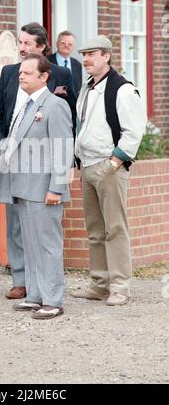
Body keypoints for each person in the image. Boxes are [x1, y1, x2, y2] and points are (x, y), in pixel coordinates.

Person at [0, 22, 76, 300]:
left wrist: (57, 186)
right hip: (18, 173)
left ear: (44, 76)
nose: (20, 76)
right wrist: (5, 149)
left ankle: (52, 299)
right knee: (26, 237)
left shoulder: (54, 102)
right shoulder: (24, 101)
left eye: (27, 72)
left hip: (43, 179)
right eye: (20, 43)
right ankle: (34, 294)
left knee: (47, 242)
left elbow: (63, 143)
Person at [72, 35, 147, 306]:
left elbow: (134, 130)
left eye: (91, 53)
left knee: (115, 229)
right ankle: (100, 284)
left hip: (109, 167)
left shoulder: (123, 89)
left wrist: (114, 163)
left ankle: (120, 287)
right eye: (84, 54)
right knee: (95, 230)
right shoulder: (87, 88)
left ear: (106, 55)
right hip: (89, 167)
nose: (86, 59)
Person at [47, 31, 82, 95]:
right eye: (63, 43)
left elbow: (77, 88)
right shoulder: (47, 61)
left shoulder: (77, 65)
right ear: (57, 44)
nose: (66, 46)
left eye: (70, 44)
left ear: (74, 46)